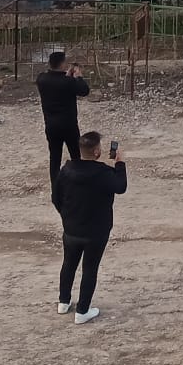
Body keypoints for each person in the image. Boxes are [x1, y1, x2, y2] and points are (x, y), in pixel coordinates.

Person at [52, 131, 126, 323]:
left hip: (71, 229)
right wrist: (120, 163)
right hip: (96, 231)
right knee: (89, 269)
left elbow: (56, 198)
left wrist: (67, 216)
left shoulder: (66, 171)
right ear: (96, 152)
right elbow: (121, 186)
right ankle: (82, 311)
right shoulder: (103, 173)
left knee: (68, 264)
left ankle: (63, 301)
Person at [36, 50, 90, 191]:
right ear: (63, 64)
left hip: (51, 125)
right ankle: (79, 185)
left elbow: (57, 81)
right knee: (76, 156)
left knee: (55, 157)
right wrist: (78, 76)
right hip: (69, 125)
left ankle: (56, 188)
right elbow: (84, 90)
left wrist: (67, 76)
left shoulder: (41, 79)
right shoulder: (69, 82)